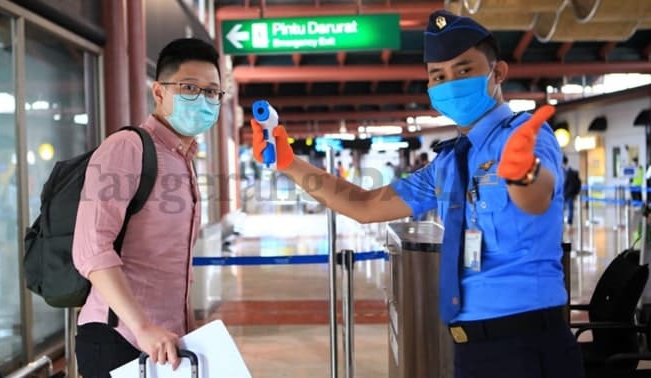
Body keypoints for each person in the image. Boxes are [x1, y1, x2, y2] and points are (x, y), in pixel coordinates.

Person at [250, 9, 583, 378]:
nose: (450, 82)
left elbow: (537, 198)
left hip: (528, 341)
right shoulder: (448, 164)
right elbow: (363, 205)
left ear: (498, 73)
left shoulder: (524, 137)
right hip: (472, 346)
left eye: (464, 70)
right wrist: (289, 162)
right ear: (430, 89)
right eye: (438, 76)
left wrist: (524, 175)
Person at [72, 38, 222, 376]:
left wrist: (188, 325)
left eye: (212, 92)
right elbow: (91, 249)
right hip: (119, 338)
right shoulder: (127, 147)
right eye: (189, 87)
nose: (203, 99)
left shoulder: (183, 160)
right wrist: (142, 326)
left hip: (164, 342)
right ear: (159, 92)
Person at [563, 156, 581, 226]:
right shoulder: (561, 171)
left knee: (570, 208)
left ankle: (569, 221)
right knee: (563, 208)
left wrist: (575, 192)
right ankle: (563, 221)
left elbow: (577, 183)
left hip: (569, 194)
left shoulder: (573, 172)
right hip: (563, 194)